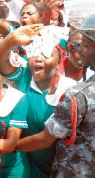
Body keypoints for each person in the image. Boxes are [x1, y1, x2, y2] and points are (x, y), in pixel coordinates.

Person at [0, 24, 77, 177]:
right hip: (28, 160)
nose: (39, 58)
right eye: (35, 54)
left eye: (46, 55)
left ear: (59, 63)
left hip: (58, 162)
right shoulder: (24, 76)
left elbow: (45, 140)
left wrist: (10, 146)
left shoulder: (69, 89)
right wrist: (12, 38)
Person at [16, 24, 95, 178]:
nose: (79, 49)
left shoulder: (78, 94)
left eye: (85, 45)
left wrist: (12, 146)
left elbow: (45, 139)